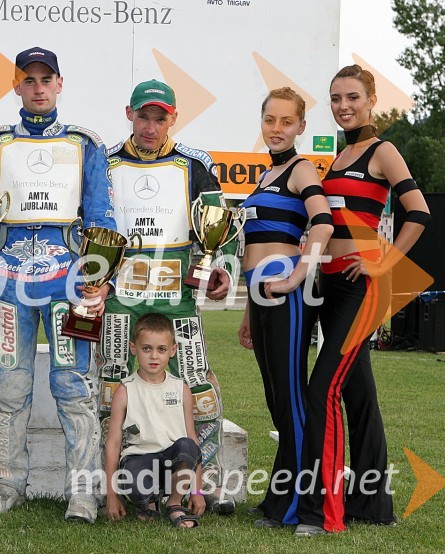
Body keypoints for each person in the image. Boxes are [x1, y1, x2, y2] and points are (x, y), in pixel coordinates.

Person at [0, 46, 116, 522]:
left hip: (69, 286)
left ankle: (83, 491)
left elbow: (101, 216)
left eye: (45, 79)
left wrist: (97, 280)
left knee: (75, 386)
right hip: (9, 285)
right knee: (8, 385)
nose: (37, 88)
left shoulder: (85, 143)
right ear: (16, 86)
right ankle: (6, 483)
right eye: (28, 80)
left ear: (59, 84)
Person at [295, 65, 430, 536]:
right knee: (359, 396)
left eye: (352, 97)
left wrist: (384, 262)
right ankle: (373, 504)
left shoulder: (381, 151)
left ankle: (323, 513)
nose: (343, 106)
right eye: (335, 98)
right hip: (329, 286)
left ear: (371, 100)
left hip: (361, 287)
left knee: (322, 390)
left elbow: (419, 211)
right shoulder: (336, 157)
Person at [97, 79, 236, 514]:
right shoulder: (104, 163)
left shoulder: (194, 165)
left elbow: (220, 230)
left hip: (176, 296)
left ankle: (203, 483)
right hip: (122, 296)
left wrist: (222, 269)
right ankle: (117, 485)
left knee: (198, 385)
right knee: (113, 386)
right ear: (129, 114)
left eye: (160, 118)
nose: (150, 127)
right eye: (143, 116)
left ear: (173, 118)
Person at [237, 87, 333, 528]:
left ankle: (296, 504)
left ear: (301, 127)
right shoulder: (265, 175)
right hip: (261, 294)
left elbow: (323, 222)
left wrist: (296, 277)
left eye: (286, 122)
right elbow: (254, 248)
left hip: (287, 292)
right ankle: (280, 496)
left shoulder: (301, 169)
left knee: (291, 397)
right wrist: (247, 312)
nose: (276, 129)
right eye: (269, 120)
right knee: (276, 397)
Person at [104, 313, 205, 528]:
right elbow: (113, 443)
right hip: (140, 460)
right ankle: (148, 502)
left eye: (161, 349)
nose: (154, 356)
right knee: (133, 478)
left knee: (187, 446)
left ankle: (174, 503)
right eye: (146, 348)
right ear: (134, 348)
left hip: (172, 461)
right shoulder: (125, 391)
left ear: (173, 350)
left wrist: (197, 491)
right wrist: (111, 495)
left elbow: (192, 439)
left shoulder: (181, 389)